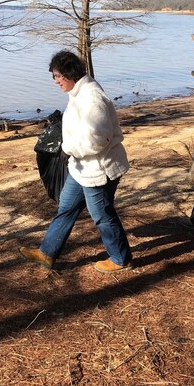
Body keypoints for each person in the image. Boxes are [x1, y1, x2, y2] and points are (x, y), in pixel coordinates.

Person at [20, 50, 133, 273]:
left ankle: (121, 258)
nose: (55, 81)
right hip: (82, 168)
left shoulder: (91, 97)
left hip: (99, 169)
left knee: (102, 214)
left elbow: (99, 138)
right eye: (54, 76)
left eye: (58, 76)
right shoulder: (78, 93)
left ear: (70, 73)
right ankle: (47, 253)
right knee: (66, 207)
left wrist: (68, 148)